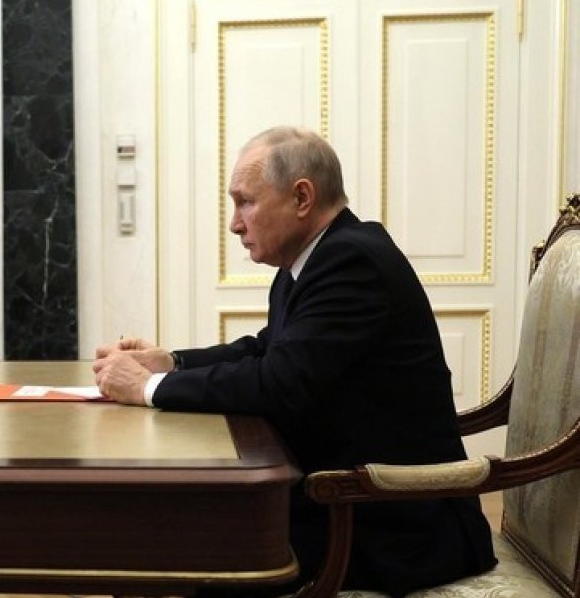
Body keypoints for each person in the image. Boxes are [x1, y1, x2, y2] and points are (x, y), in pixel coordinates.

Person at [92, 127, 496, 597]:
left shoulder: (352, 261)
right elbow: (267, 349)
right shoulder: (313, 260)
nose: (234, 224)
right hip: (338, 496)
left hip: (387, 520)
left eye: (245, 202)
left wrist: (145, 388)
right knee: (155, 533)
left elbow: (279, 382)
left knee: (157, 547)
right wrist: (169, 362)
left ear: (302, 197)